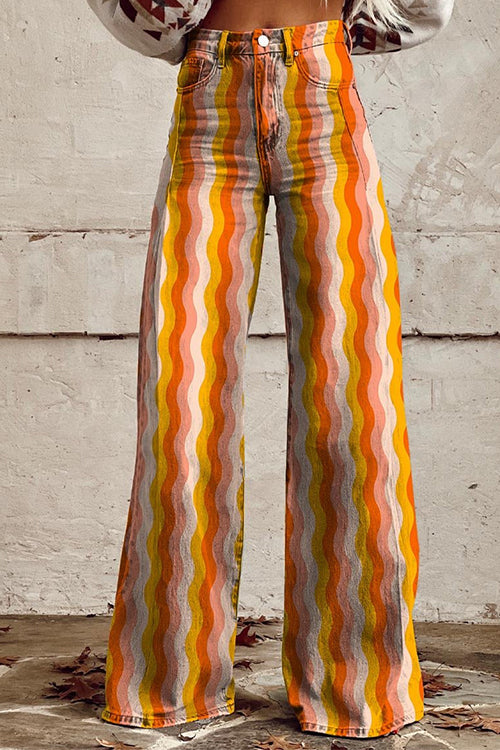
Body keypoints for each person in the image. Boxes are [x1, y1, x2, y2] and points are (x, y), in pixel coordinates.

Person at [86, 0, 454, 739]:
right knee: (181, 410)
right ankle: (168, 684)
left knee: (355, 412)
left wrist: (337, 36)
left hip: (324, 93)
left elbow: (424, 7)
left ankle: (360, 690)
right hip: (209, 103)